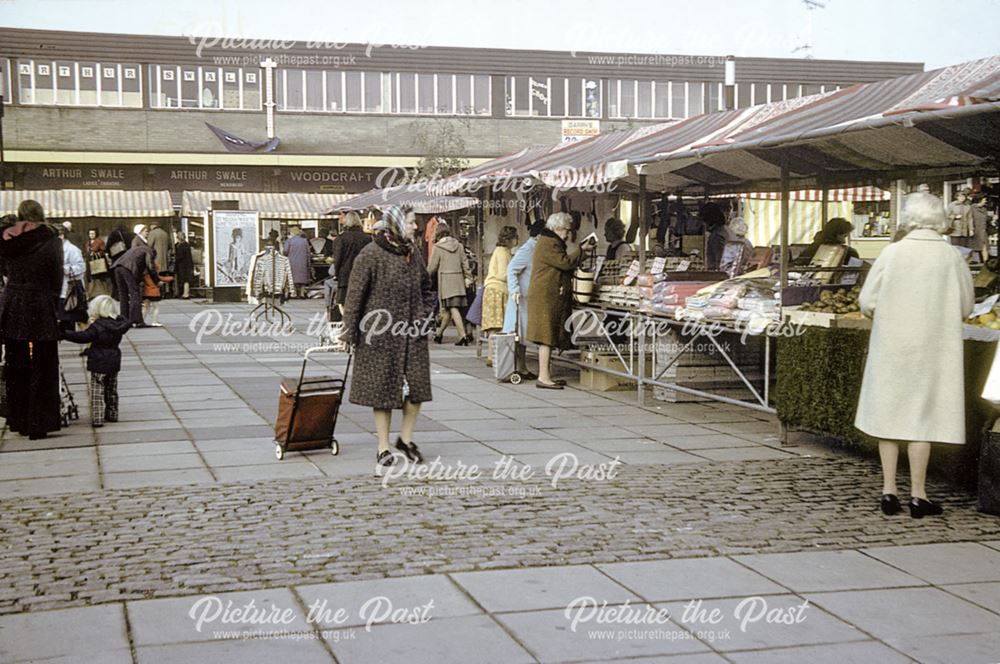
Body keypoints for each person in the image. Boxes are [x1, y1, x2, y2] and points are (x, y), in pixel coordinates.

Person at [855, 193, 974, 519]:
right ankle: (919, 495)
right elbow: (966, 306)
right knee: (922, 420)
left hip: (893, 345)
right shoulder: (951, 256)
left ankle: (889, 491)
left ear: (908, 216)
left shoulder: (891, 253)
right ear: (941, 218)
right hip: (934, 349)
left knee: (889, 418)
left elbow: (867, 301)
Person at [341, 205, 433, 470]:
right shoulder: (370, 254)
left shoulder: (412, 253)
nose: (416, 227)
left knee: (417, 389)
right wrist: (349, 333)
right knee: (382, 391)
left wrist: (424, 315)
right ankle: (383, 447)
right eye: (412, 222)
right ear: (395, 224)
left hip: (412, 333)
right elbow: (355, 296)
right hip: (379, 336)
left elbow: (427, 289)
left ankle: (405, 439)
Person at [0, 200, 64, 439]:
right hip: (39, 302)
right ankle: (40, 421)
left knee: (16, 363)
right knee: (44, 363)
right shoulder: (51, 240)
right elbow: (56, 276)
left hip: (14, 302)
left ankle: (19, 419)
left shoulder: (7, 239)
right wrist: (53, 301)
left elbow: (4, 271)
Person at [527, 212, 592, 389]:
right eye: (566, 230)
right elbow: (564, 263)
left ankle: (546, 375)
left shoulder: (549, 241)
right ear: (557, 228)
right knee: (546, 336)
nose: (567, 234)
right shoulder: (549, 243)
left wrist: (582, 253)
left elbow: (564, 262)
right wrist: (581, 250)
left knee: (548, 335)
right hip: (545, 296)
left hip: (547, 294)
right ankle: (544, 377)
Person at [59, 295, 131, 427]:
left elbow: (83, 337)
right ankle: (112, 414)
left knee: (97, 390)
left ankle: (97, 418)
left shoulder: (97, 326)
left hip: (98, 359)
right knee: (111, 389)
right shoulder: (118, 324)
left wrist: (64, 334)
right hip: (114, 358)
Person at [503, 221, 543, 379]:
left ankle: (521, 367)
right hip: (521, 298)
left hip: (527, 298)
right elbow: (512, 269)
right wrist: (515, 290)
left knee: (521, 334)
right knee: (517, 333)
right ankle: (513, 367)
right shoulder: (528, 249)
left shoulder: (534, 248)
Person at [428, 224, 473, 345]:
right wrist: (468, 277)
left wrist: (424, 277)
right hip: (458, 281)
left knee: (453, 308)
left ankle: (463, 336)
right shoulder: (459, 246)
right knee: (449, 309)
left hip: (446, 282)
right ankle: (438, 335)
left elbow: (432, 267)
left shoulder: (438, 247)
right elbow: (465, 263)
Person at [329, 211, 372, 312]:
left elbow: (338, 258)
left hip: (345, 274)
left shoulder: (341, 238)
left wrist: (336, 273)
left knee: (343, 300)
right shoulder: (367, 238)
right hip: (363, 273)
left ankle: (347, 321)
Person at [111, 242, 159, 327]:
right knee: (135, 294)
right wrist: (157, 281)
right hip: (127, 269)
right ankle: (137, 320)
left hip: (117, 268)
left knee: (123, 295)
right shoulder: (149, 252)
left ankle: (124, 319)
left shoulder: (138, 249)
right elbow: (150, 267)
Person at [482, 226, 518, 334]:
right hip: (497, 290)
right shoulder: (502, 252)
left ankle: (494, 350)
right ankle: (494, 350)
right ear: (508, 239)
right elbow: (503, 274)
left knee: (497, 325)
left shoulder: (504, 251)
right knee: (496, 326)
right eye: (515, 237)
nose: (517, 240)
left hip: (496, 289)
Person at [56, 226, 86, 333]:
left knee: (68, 316)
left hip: (68, 289)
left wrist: (63, 269)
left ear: (62, 236)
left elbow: (81, 267)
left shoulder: (72, 250)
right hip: (58, 288)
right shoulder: (56, 249)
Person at [795, 217, 860, 266]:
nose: (844, 241)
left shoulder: (812, 248)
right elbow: (855, 273)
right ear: (836, 235)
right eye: (844, 236)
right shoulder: (849, 252)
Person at [283, 227, 312, 298]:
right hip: (303, 261)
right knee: (302, 278)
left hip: (292, 262)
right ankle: (302, 293)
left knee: (292, 278)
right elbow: (308, 252)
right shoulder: (304, 241)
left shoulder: (289, 241)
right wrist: (309, 262)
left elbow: (285, 251)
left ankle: (294, 293)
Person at [85, 229, 113, 299]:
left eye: (93, 234)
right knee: (91, 279)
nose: (91, 235)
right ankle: (91, 294)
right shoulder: (87, 242)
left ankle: (104, 292)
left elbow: (103, 251)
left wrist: (96, 253)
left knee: (101, 278)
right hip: (89, 262)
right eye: (90, 234)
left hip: (98, 262)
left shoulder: (99, 242)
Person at [147, 221, 172, 296]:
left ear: (153, 225)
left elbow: (149, 246)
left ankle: (159, 292)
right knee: (164, 275)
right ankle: (166, 292)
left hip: (156, 259)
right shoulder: (165, 233)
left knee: (157, 276)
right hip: (165, 259)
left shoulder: (152, 233)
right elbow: (169, 246)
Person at [173, 232, 195, 299]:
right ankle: (184, 293)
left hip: (184, 265)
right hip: (184, 265)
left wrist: (175, 258)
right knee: (184, 279)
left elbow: (180, 256)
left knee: (185, 279)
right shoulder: (184, 245)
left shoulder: (182, 245)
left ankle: (185, 294)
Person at [970, 193, 990, 262]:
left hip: (983, 230)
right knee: (974, 248)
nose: (985, 201)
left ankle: (985, 264)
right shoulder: (972, 208)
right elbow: (969, 219)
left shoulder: (984, 209)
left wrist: (991, 218)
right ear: (979, 200)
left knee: (985, 247)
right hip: (975, 230)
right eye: (984, 200)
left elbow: (986, 219)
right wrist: (971, 229)